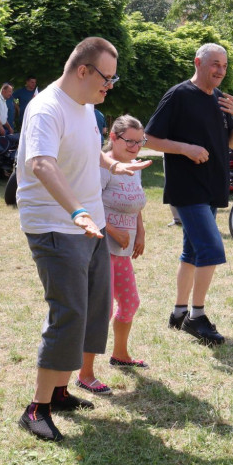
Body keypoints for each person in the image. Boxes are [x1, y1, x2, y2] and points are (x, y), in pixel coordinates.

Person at [17, 37, 150, 443]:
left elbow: (91, 150)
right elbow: (41, 163)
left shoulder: (87, 107)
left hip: (88, 224)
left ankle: (60, 391)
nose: (111, 85)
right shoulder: (46, 108)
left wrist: (114, 164)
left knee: (93, 307)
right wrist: (78, 211)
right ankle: (36, 407)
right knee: (69, 310)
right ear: (83, 71)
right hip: (57, 225)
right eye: (107, 78)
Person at [145, 43, 233, 346]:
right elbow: (150, 138)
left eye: (224, 66)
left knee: (192, 252)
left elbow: (231, 144)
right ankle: (197, 316)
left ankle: (179, 312)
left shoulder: (221, 100)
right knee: (211, 249)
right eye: (215, 64)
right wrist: (185, 148)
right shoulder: (178, 95)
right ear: (198, 62)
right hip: (187, 187)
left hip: (213, 186)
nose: (220, 71)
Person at [76, 115, 149, 395]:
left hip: (123, 250)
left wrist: (140, 231)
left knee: (129, 302)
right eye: (129, 141)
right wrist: (114, 232)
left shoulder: (134, 166)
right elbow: (89, 205)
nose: (135, 147)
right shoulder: (104, 167)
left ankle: (120, 354)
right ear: (114, 138)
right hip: (101, 247)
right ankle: (85, 373)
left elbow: (137, 201)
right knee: (101, 310)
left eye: (139, 141)